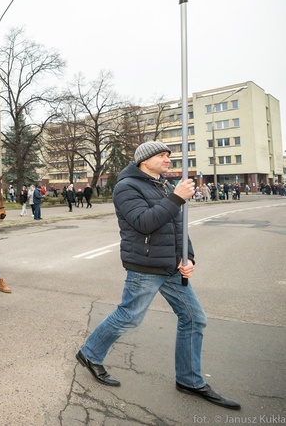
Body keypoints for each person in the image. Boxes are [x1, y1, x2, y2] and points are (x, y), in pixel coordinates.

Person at [76, 141, 240, 410]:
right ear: (144, 160)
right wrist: (176, 198)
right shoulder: (126, 187)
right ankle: (90, 354)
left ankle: (189, 380)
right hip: (146, 265)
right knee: (129, 317)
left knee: (194, 318)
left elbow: (178, 227)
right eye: (162, 155)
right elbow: (145, 222)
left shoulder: (161, 185)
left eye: (168, 156)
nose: (168, 160)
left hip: (172, 266)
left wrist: (188, 256)